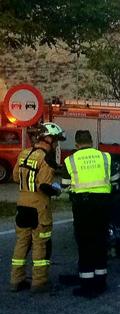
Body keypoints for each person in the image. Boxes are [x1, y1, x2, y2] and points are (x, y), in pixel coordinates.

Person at [10, 122, 64, 293]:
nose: (56, 144)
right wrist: (57, 191)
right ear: (47, 139)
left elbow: (15, 177)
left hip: (22, 204)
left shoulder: (24, 154)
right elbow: (43, 186)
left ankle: (16, 280)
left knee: (22, 243)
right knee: (41, 243)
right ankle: (39, 282)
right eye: (55, 141)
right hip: (39, 206)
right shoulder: (45, 158)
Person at [62, 130, 116, 298]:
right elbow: (115, 180)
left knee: (85, 244)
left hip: (82, 206)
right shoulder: (105, 157)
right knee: (100, 242)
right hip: (103, 205)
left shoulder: (70, 160)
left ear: (77, 144)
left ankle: (87, 286)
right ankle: (101, 283)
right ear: (92, 142)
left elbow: (64, 185)